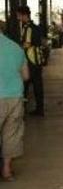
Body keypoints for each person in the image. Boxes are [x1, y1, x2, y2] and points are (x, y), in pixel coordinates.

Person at [0, 32, 28, 181]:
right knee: (11, 133)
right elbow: (26, 76)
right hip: (14, 96)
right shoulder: (16, 48)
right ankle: (6, 170)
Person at [17, 6, 47, 116]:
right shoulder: (35, 27)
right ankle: (39, 109)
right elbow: (42, 42)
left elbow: (27, 44)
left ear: (24, 15)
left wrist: (17, 48)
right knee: (37, 84)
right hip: (37, 59)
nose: (18, 17)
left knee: (26, 84)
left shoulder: (28, 28)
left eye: (19, 15)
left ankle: (24, 109)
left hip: (31, 60)